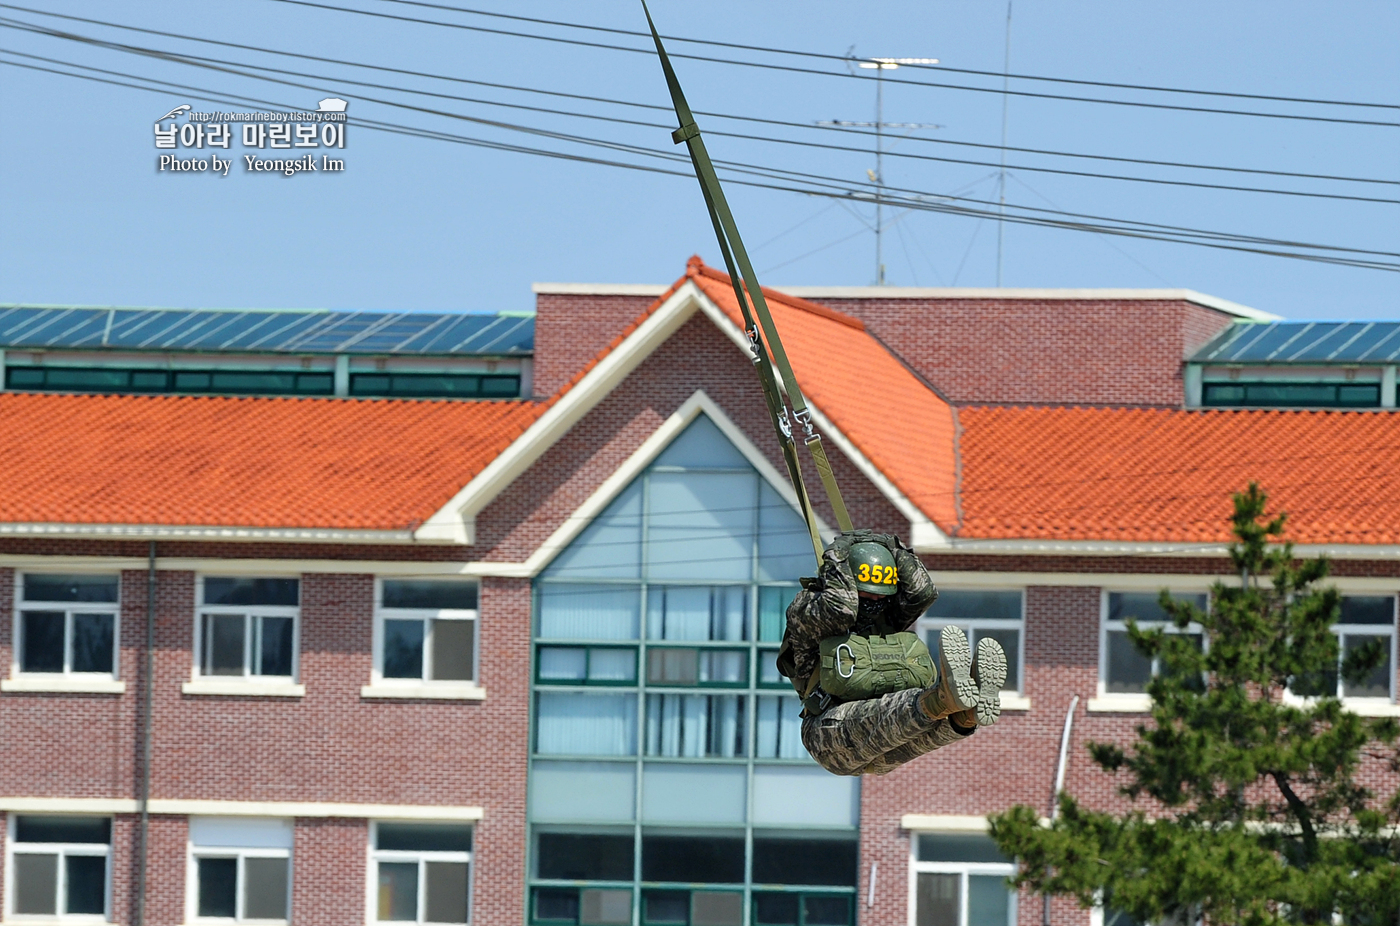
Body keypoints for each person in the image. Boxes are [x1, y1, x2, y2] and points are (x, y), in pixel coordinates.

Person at [778, 530, 1006, 777]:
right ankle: (943, 697)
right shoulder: (808, 611)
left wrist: (893, 547)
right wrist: (839, 552)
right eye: (867, 593)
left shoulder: (883, 616)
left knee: (932, 722)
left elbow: (923, 592)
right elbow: (841, 607)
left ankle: (964, 716)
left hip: (885, 741)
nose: (876, 600)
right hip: (828, 735)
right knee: (922, 704)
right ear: (850, 585)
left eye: (882, 595)